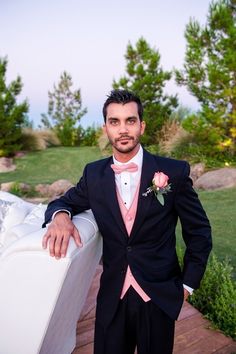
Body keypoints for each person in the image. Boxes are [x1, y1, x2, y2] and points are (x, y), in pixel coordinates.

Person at [42, 89, 212, 354]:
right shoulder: (94, 174)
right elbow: (63, 202)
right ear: (105, 128)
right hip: (113, 296)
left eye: (130, 121)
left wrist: (187, 284)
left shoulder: (174, 172)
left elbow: (199, 231)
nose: (123, 129)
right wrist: (61, 217)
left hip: (159, 295)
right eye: (115, 122)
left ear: (141, 126)